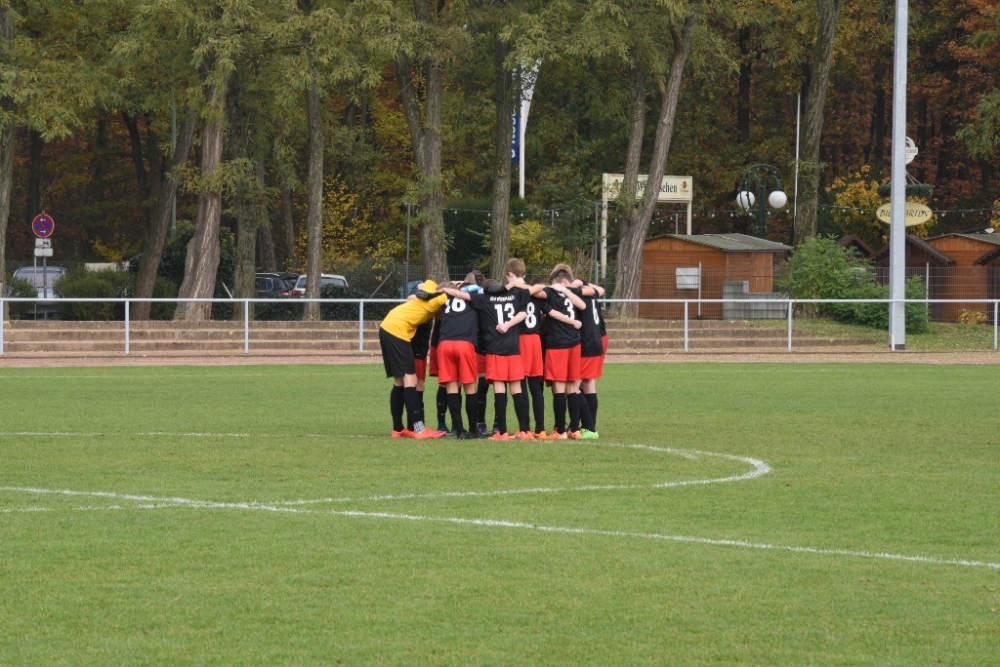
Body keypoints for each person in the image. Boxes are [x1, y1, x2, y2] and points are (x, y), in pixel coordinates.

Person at [378, 280, 448, 439]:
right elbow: (448, 294)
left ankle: (398, 428)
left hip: (387, 328)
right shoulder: (433, 303)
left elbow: (426, 284)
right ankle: (419, 429)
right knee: (411, 380)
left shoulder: (425, 299)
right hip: (397, 332)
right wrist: (458, 285)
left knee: (399, 381)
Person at [535, 264, 586, 439]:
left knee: (559, 387)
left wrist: (549, 289)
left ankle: (560, 431)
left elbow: (538, 294)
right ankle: (575, 429)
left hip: (558, 343)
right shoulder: (572, 292)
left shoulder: (550, 292)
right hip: (574, 342)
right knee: (572, 387)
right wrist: (568, 289)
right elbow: (582, 305)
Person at [434, 274, 484, 439]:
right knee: (470, 387)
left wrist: (451, 287)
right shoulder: (474, 297)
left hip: (445, 344)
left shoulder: (445, 299)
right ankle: (473, 429)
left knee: (451, 387)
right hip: (464, 343)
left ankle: (460, 431)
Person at [573, 278, 606, 439]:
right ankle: (588, 427)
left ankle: (589, 427)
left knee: (573, 388)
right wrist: (583, 283)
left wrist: (573, 286)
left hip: (587, 344)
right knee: (588, 385)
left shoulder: (577, 295)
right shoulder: (592, 293)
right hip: (596, 341)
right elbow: (601, 289)